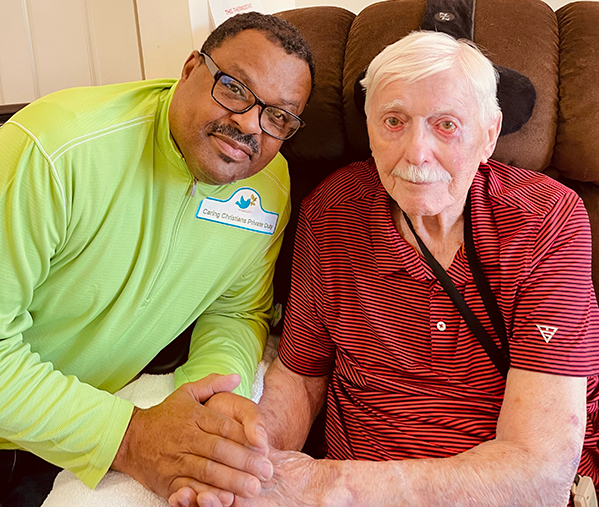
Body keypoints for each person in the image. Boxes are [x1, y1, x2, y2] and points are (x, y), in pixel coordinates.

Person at [169, 30, 599, 507]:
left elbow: (539, 471)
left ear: (489, 134)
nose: (416, 152)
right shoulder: (332, 212)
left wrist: (321, 488)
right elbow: (301, 379)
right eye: (394, 121)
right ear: (370, 130)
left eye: (447, 125)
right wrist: (248, 464)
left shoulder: (547, 219)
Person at [0, 11, 313, 507]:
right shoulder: (55, 150)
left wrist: (215, 401)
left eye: (278, 117)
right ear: (190, 69)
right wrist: (132, 438)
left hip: (84, 428)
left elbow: (234, 311)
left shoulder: (269, 188)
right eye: (234, 88)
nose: (249, 125)